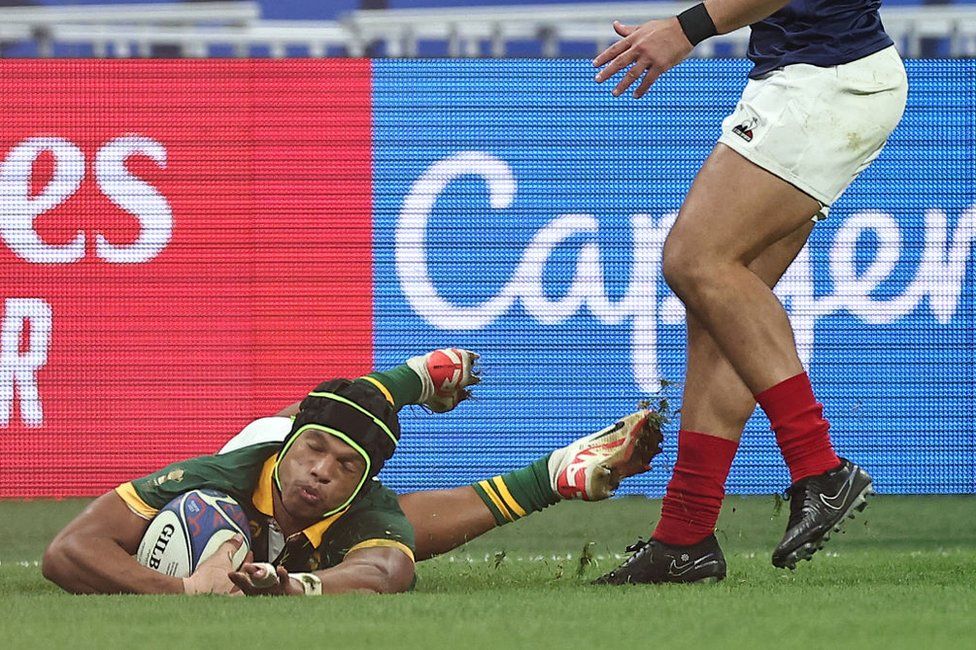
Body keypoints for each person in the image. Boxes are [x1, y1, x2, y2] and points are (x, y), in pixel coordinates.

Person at [590, 0, 907, 583]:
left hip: (825, 79)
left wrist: (684, 30)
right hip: (816, 74)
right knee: (721, 309)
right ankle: (685, 537)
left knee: (695, 258)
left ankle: (818, 465)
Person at [42, 349, 661, 595]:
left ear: (364, 481)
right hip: (256, 453)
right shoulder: (217, 476)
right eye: (309, 451)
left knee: (390, 528)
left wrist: (291, 588)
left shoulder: (370, 506)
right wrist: (181, 594)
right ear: (292, 448)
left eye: (344, 467)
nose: (318, 472)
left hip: (316, 537)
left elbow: (389, 568)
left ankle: (550, 477)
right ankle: (411, 378)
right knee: (288, 432)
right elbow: (68, 552)